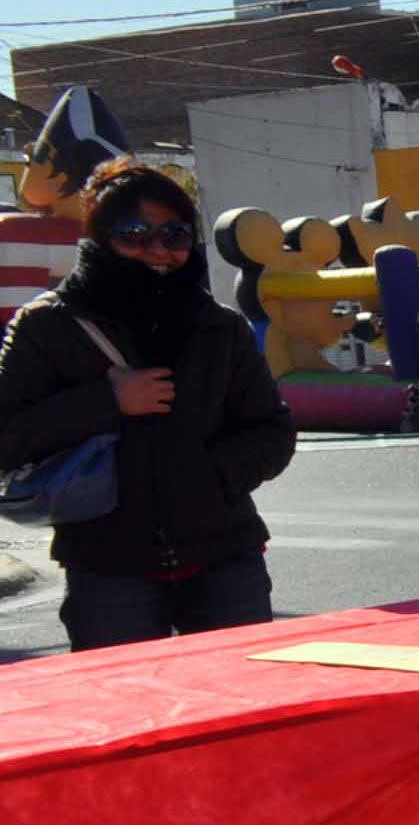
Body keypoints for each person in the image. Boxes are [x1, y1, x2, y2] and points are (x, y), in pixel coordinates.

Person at [0, 159, 294, 650]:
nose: (158, 251)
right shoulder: (47, 326)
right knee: (130, 716)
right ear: (99, 238)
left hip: (224, 557)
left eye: (174, 234)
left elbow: (273, 431)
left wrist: (210, 473)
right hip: (107, 566)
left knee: (238, 710)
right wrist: (106, 400)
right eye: (135, 234)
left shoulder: (217, 326)